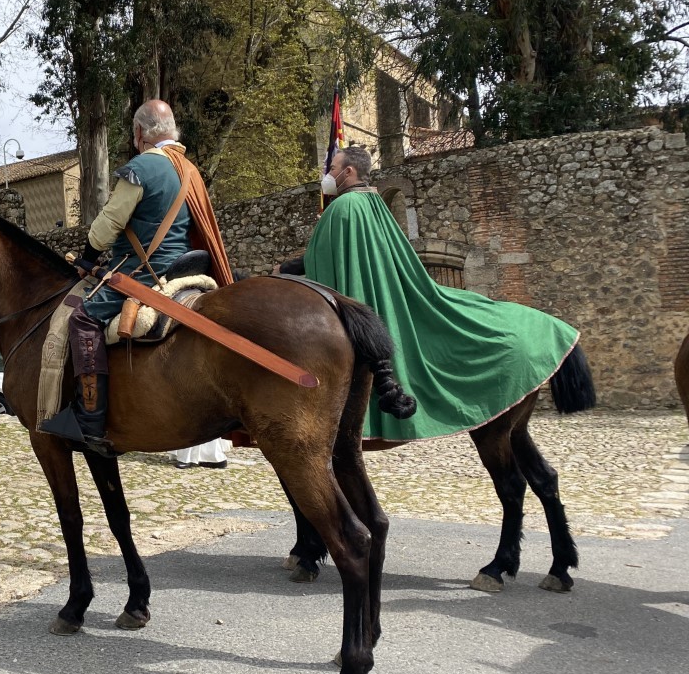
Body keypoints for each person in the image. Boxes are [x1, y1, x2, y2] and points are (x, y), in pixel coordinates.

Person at [276, 144, 579, 441]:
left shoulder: (343, 207)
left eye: (332, 168)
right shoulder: (375, 203)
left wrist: (285, 270)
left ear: (349, 171)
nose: (328, 175)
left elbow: (324, 260)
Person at [40, 99, 232, 453]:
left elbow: (107, 226)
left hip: (146, 273)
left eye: (134, 132)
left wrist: (87, 256)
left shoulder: (142, 167)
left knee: (83, 318)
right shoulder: (189, 170)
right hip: (186, 268)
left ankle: (90, 418)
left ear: (140, 132)